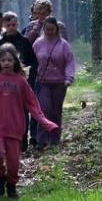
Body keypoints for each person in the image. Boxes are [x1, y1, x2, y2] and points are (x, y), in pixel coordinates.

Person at [0, 44, 58, 199]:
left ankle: (11, 185)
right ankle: (0, 176)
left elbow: (32, 104)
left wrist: (46, 123)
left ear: (15, 62)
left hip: (15, 127)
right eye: (3, 60)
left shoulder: (21, 81)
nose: (7, 63)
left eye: (10, 60)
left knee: (14, 163)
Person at [33, 16, 76, 149]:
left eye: (52, 29)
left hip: (59, 83)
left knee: (56, 111)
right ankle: (41, 140)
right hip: (42, 82)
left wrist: (69, 78)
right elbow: (32, 61)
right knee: (44, 109)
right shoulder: (38, 43)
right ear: (44, 29)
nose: (50, 32)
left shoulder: (64, 45)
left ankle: (54, 139)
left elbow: (69, 62)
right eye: (47, 29)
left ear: (57, 29)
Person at [0, 12, 39, 151]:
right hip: (4, 84)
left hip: (22, 83)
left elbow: (33, 62)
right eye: (8, 25)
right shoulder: (0, 43)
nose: (11, 27)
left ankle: (22, 141)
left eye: (14, 24)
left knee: (22, 112)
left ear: (17, 24)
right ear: (4, 25)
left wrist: (29, 78)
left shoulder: (25, 42)